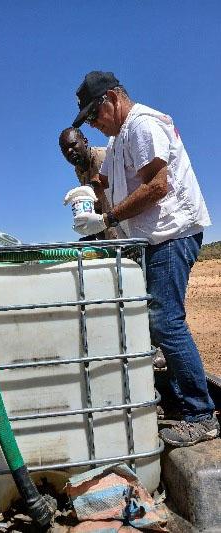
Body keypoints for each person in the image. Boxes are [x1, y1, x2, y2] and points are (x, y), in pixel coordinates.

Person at [67, 70, 219, 447]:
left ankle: (201, 414)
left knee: (165, 319)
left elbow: (157, 185)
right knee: (148, 317)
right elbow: (103, 180)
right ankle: (172, 388)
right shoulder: (119, 139)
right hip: (151, 239)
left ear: (111, 100)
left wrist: (107, 218)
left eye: (93, 116)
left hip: (172, 233)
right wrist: (82, 194)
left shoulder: (142, 125)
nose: (93, 124)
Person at [59, 127, 117, 240]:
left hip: (121, 225)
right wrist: (94, 234)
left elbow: (107, 193)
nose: (69, 151)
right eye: (65, 149)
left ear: (85, 142)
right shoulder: (79, 168)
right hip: (107, 227)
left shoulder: (102, 157)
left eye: (73, 145)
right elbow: (95, 203)